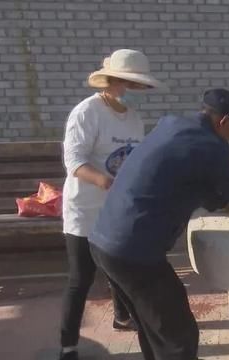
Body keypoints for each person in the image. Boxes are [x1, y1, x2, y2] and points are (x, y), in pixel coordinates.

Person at [88, 88, 229, 359]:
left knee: (152, 326)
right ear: (224, 121)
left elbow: (201, 188)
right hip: (134, 252)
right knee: (178, 335)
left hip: (102, 242)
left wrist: (221, 200)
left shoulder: (171, 125)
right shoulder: (211, 146)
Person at [59, 49, 164, 360]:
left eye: (140, 87)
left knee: (120, 269)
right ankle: (68, 345)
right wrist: (107, 182)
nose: (137, 92)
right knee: (81, 279)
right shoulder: (86, 113)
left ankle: (122, 317)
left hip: (116, 211)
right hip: (85, 209)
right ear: (114, 81)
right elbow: (74, 162)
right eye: (133, 85)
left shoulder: (134, 119)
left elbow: (134, 161)